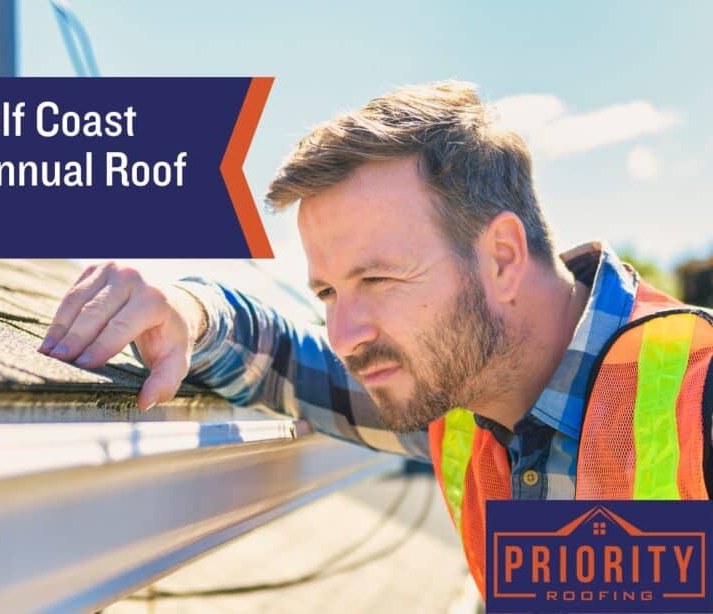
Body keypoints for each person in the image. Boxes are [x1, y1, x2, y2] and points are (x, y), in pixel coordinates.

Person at [37, 80, 713, 598]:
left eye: (379, 278)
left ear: (502, 258)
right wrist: (187, 309)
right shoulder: (454, 395)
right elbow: (284, 359)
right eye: (328, 292)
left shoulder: (698, 395)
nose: (345, 333)